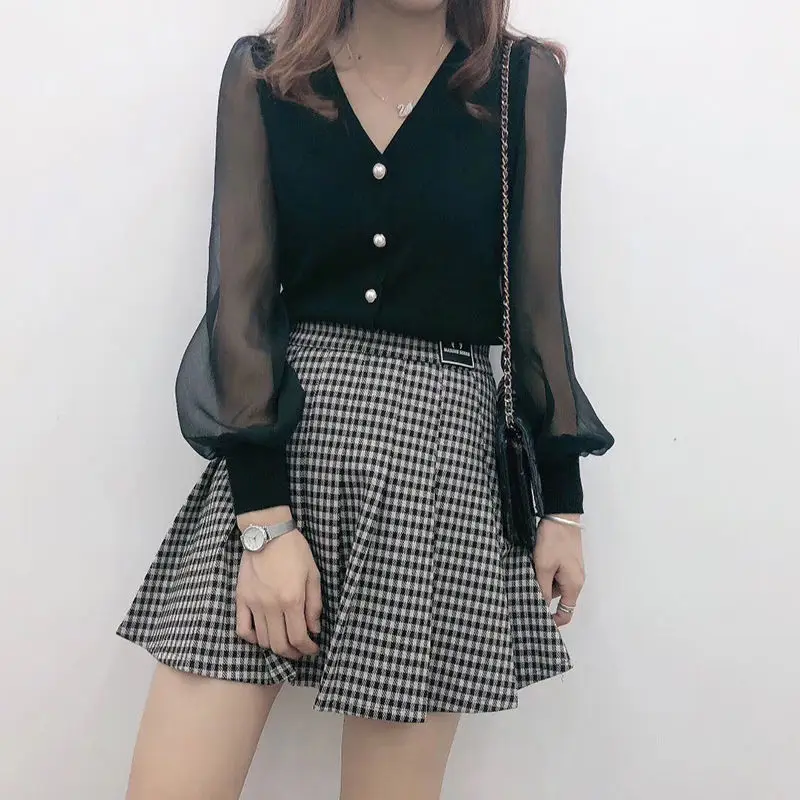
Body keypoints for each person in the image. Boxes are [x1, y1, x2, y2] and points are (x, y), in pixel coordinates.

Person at [117, 0, 614, 798]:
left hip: (438, 468)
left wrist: (563, 504)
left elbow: (536, 305)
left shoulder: (523, 81)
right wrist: (263, 524)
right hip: (286, 451)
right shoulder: (266, 75)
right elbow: (241, 304)